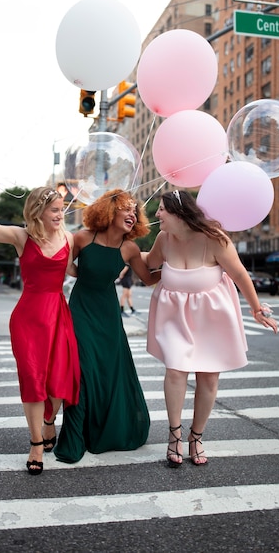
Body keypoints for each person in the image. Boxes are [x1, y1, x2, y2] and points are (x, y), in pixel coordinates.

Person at [143, 190, 278, 468]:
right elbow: (148, 263)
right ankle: (174, 436)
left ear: (179, 214)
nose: (157, 215)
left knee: (208, 379)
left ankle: (196, 437)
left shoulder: (215, 239)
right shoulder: (163, 239)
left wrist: (256, 309)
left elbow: (240, 274)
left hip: (211, 318)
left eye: (162, 210)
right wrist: (120, 251)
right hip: (174, 318)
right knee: (175, 371)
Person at [0, 170, 80, 475]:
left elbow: (73, 271)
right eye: (55, 210)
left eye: (62, 210)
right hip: (29, 319)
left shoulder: (69, 238)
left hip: (59, 316)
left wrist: (111, 266)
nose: (61, 215)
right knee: (33, 381)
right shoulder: (22, 236)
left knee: (59, 382)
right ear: (38, 211)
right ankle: (35, 443)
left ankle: (49, 423)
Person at [54, 189, 160, 464]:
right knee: (83, 371)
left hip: (109, 316)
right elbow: (65, 265)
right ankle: (77, 435)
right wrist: (82, 274)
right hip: (81, 311)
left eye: (135, 210)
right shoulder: (83, 238)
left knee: (107, 372)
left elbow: (148, 279)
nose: (132, 213)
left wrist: (182, 260)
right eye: (126, 208)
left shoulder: (130, 248)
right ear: (110, 210)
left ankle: (105, 430)